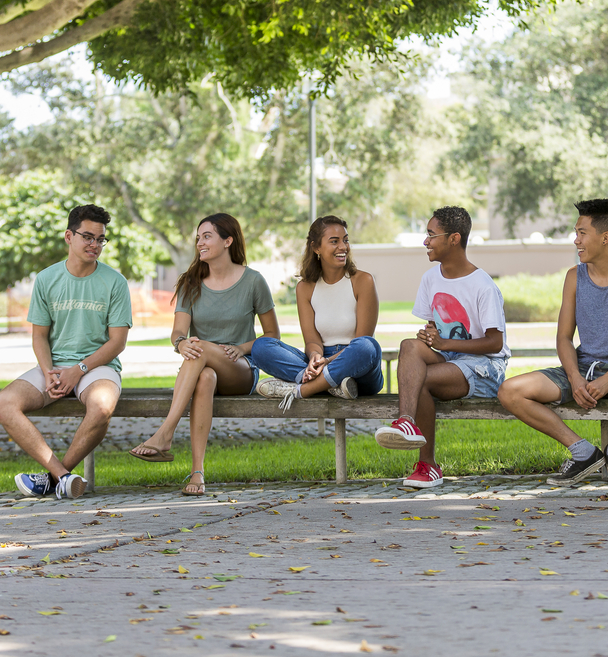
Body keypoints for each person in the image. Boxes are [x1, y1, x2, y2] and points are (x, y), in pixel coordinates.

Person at [497, 198, 608, 485]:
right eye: (576, 232)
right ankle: (582, 452)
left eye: (582, 233)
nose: (575, 240)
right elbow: (564, 338)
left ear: (605, 237)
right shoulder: (574, 277)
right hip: (583, 368)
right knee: (510, 391)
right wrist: (575, 378)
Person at [129, 213, 280, 496]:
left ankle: (165, 433)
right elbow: (178, 333)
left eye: (207, 236)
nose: (200, 242)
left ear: (228, 241)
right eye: (198, 237)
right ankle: (197, 473)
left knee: (199, 350)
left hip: (240, 370)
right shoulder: (191, 282)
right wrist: (181, 344)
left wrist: (242, 348)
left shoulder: (253, 281)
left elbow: (273, 335)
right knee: (204, 373)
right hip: (202, 369)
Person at [0, 204, 132, 499]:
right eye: (88, 237)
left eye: (100, 239)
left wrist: (78, 370)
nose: (95, 245)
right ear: (69, 236)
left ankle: (54, 479)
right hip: (54, 367)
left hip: (97, 367)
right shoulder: (46, 279)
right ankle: (63, 477)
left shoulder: (115, 282)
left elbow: (117, 343)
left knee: (103, 407)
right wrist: (49, 372)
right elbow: (39, 336)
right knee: (3, 403)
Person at [373, 206, 509, 489]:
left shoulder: (482, 285)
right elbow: (436, 327)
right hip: (450, 357)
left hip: (484, 365)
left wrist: (446, 342)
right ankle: (406, 422)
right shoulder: (431, 279)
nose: (426, 241)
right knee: (409, 346)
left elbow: (496, 342)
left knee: (419, 380)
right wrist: (431, 336)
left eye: (432, 235)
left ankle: (428, 465)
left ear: (454, 239)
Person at [253, 216, 383, 408]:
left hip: (358, 365)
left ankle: (302, 390)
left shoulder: (363, 281)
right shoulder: (305, 288)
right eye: (334, 241)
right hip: (324, 358)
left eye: (345, 240)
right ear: (316, 248)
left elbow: (362, 339)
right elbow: (312, 340)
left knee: (368, 346)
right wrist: (314, 357)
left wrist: (327, 362)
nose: (343, 247)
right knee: (261, 347)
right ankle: (331, 385)